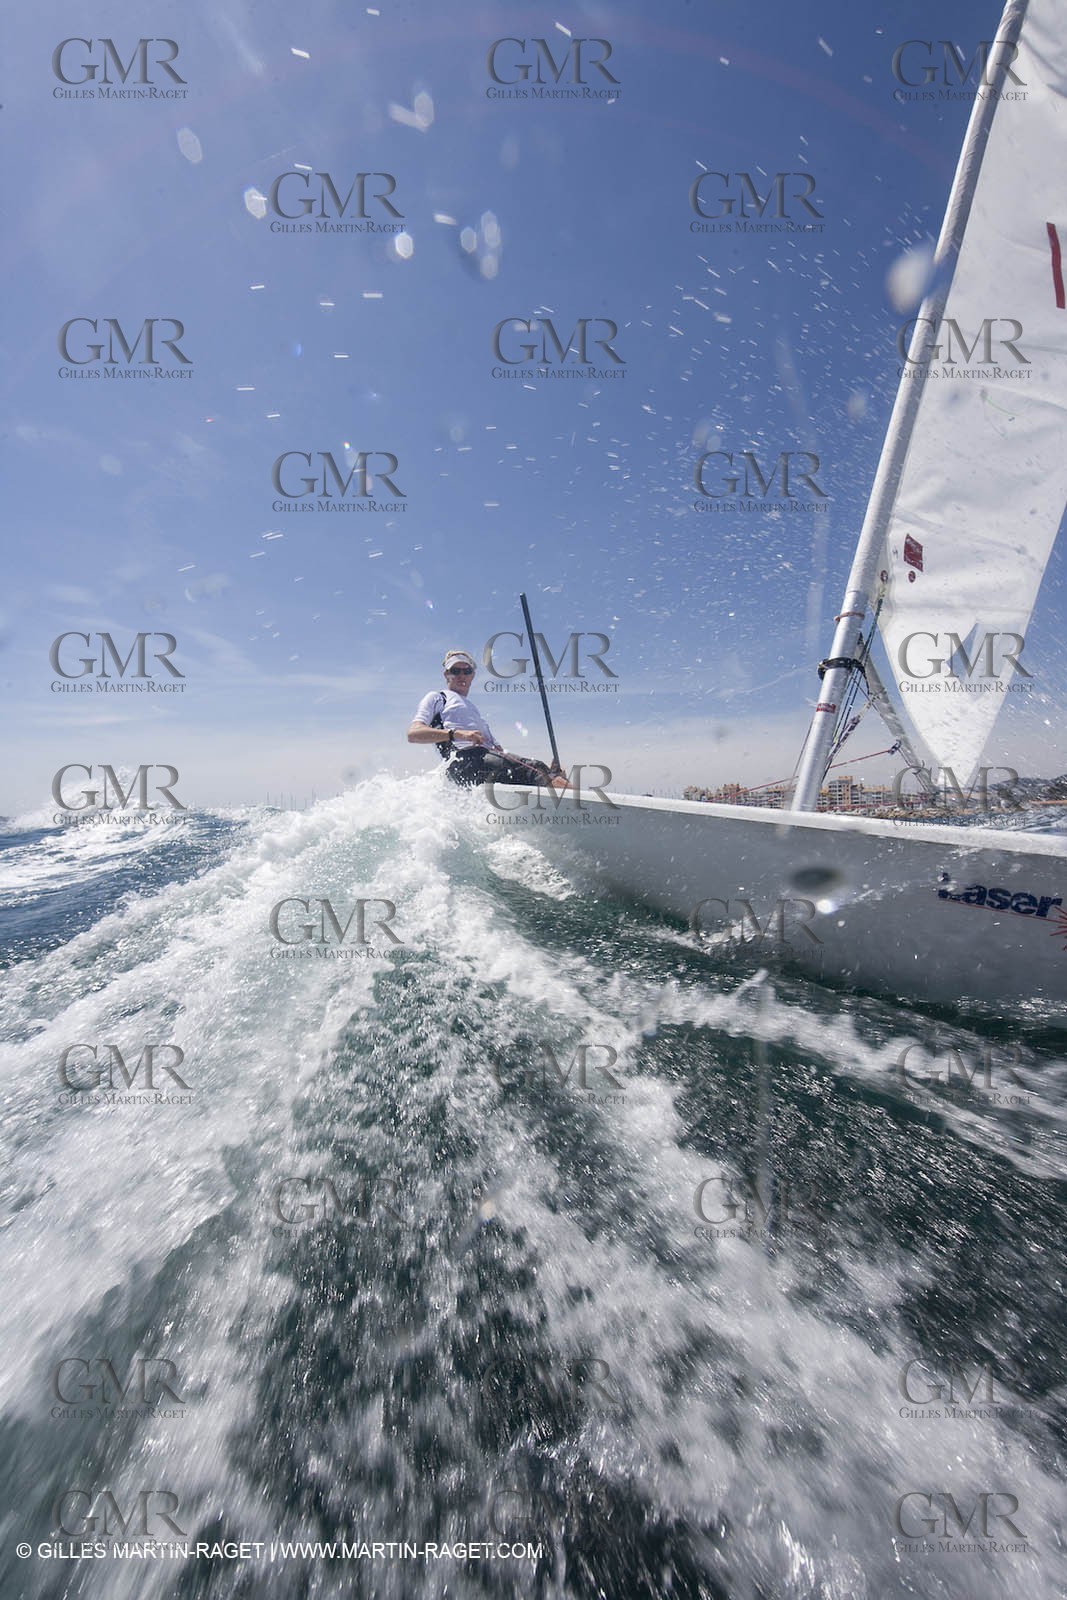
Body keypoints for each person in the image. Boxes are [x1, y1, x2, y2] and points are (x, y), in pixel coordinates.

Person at [407, 649, 571, 788]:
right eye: (455, 671)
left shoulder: (473, 711)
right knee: (530, 771)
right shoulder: (438, 697)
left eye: (467, 671)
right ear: (446, 674)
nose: (461, 675)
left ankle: (564, 795)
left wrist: (550, 775)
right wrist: (457, 734)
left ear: (472, 675)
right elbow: (413, 733)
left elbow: (498, 752)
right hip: (463, 762)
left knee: (540, 769)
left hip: (488, 759)